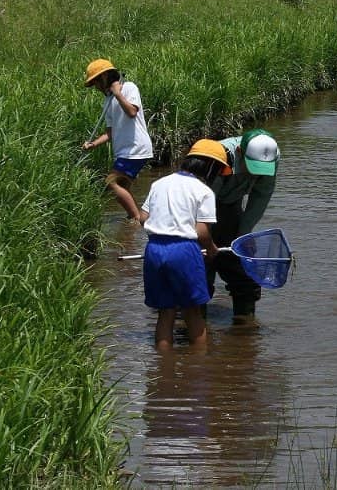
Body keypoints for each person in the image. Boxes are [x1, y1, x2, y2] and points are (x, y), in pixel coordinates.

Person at [139, 139, 228, 350]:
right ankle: (198, 365)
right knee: (193, 311)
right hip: (184, 251)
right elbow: (202, 232)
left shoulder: (159, 183)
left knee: (165, 312)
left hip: (154, 249)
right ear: (211, 167)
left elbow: (143, 218)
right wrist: (212, 249)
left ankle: (163, 365)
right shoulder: (204, 191)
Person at [208, 128, 281, 320]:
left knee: (243, 272)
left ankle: (245, 326)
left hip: (231, 203)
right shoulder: (219, 156)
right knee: (201, 268)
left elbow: (261, 196)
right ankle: (192, 321)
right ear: (240, 152)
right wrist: (207, 241)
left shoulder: (272, 156)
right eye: (251, 166)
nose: (255, 173)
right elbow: (203, 204)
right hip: (201, 207)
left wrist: (243, 235)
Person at [82, 58, 153, 221]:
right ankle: (136, 220)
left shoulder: (128, 88)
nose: (96, 87)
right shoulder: (107, 101)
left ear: (105, 76)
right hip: (123, 151)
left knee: (111, 182)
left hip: (135, 148)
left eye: (96, 82)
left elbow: (132, 112)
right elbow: (110, 132)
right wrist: (93, 144)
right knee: (122, 190)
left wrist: (118, 94)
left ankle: (136, 220)